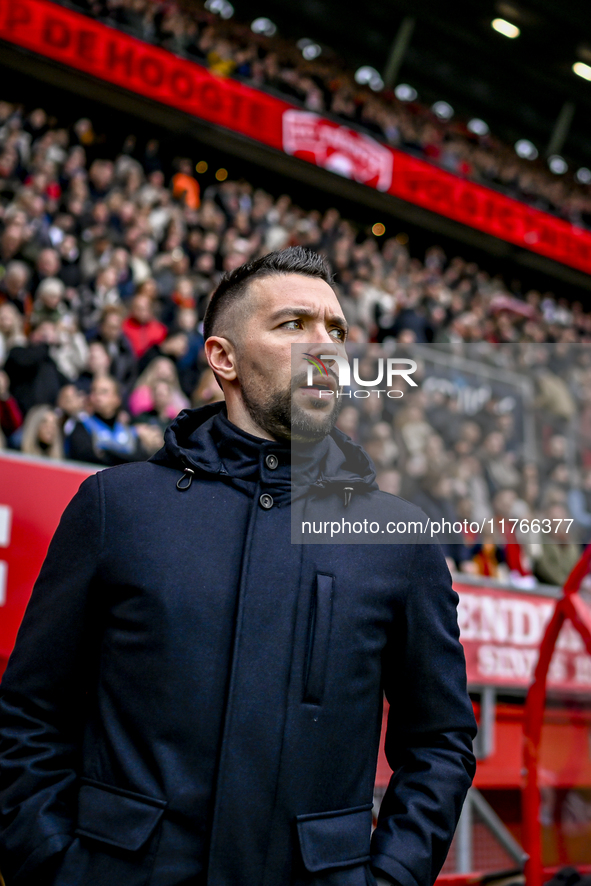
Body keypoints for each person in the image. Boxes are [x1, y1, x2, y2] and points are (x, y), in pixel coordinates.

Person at [0, 247, 476, 886]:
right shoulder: (116, 506)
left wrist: (389, 878)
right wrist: (51, 864)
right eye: (294, 325)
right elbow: (30, 712)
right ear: (222, 356)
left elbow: (439, 742)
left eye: (336, 331)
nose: (324, 347)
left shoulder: (402, 538)